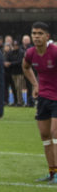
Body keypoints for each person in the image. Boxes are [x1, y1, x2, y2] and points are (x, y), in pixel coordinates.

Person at [21, 21, 57, 183]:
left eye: (40, 33)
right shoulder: (30, 53)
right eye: (34, 33)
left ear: (47, 36)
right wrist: (35, 85)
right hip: (43, 98)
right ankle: (52, 172)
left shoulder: (55, 52)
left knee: (56, 134)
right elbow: (26, 67)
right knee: (45, 135)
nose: (36, 36)